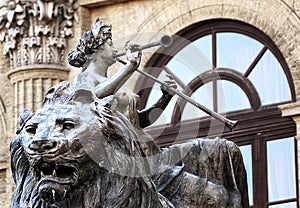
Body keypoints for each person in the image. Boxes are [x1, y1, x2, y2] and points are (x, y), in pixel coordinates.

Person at [68, 17, 176, 128]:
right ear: (96, 49)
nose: (115, 50)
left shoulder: (108, 82)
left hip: (130, 143)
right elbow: (88, 98)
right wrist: (130, 67)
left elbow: (140, 122)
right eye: (110, 44)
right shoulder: (85, 77)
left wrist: (165, 99)